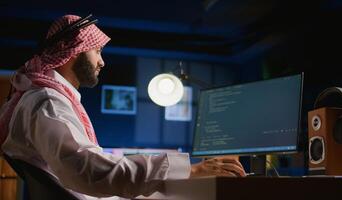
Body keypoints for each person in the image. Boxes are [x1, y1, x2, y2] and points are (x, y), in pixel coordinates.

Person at [0, 14, 246, 199]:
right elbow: (88, 171)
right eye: (97, 51)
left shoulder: (45, 98)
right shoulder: (47, 102)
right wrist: (191, 170)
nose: (102, 62)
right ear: (73, 51)